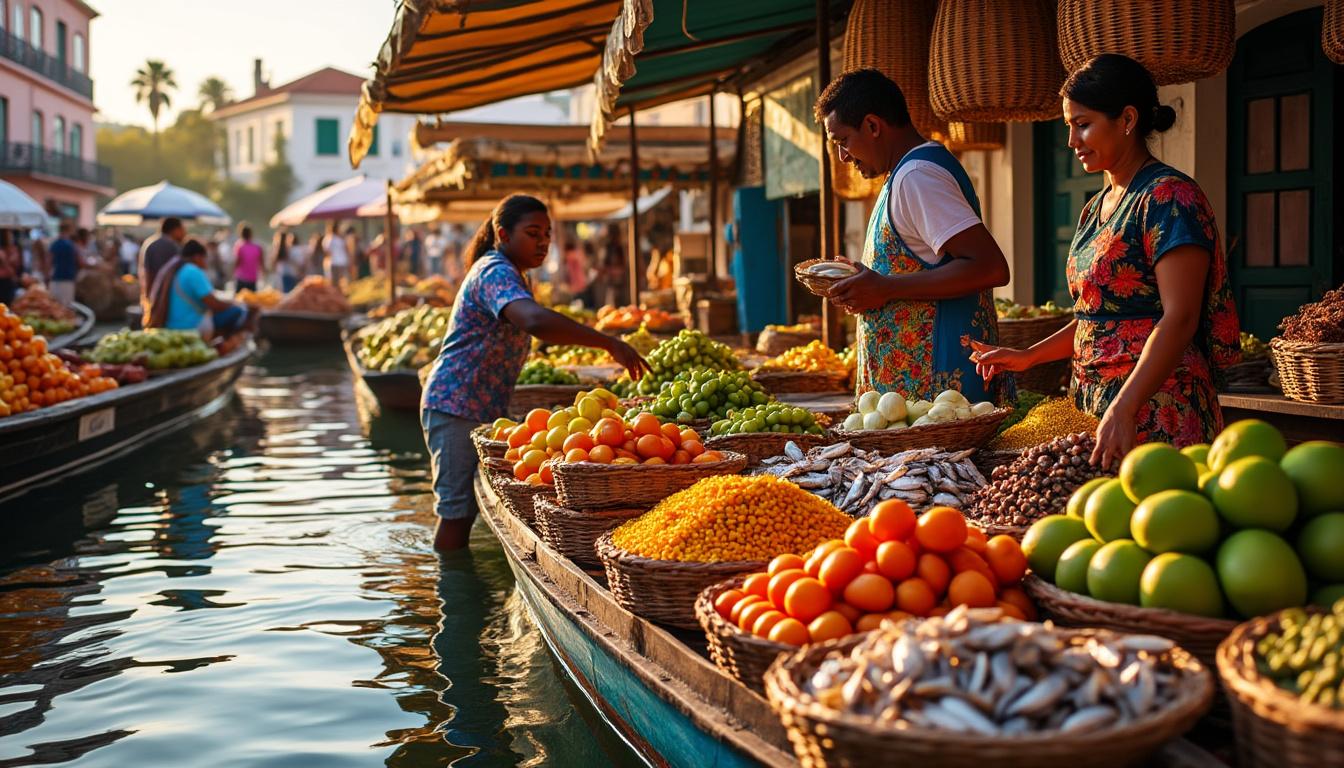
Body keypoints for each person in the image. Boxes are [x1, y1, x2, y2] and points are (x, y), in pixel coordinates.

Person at [970, 54, 1241, 468]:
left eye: (1083, 124)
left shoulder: (1169, 198)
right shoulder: (1095, 207)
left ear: (1127, 119)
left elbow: (1181, 317)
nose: (1072, 141)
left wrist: (1126, 407)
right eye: (1068, 127)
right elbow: (1098, 319)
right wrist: (1029, 356)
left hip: (1156, 403)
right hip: (1095, 401)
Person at [420, 194, 651, 551]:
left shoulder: (512, 274)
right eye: (533, 233)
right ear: (503, 233)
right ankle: (449, 592)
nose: (543, 242)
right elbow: (533, 320)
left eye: (547, 233)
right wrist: (608, 343)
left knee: (466, 507)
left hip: (480, 405)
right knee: (456, 512)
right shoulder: (493, 270)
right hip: (454, 404)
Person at [813, 68, 1011, 403]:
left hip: (938, 398)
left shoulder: (917, 176)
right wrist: (868, 280)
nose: (843, 157)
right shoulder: (905, 173)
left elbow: (989, 267)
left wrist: (886, 287)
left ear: (873, 126)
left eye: (843, 141)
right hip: (921, 400)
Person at [146, 238, 253, 338]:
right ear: (197, 257)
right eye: (205, 258)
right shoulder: (192, 271)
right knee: (239, 311)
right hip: (189, 328)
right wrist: (234, 303)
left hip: (171, 325)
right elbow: (214, 304)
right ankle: (222, 345)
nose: (206, 262)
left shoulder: (177, 268)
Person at [139, 217, 186, 313]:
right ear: (175, 230)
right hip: (169, 296)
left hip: (153, 294)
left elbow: (146, 273)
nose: (185, 233)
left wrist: (147, 296)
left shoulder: (150, 243)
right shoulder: (174, 246)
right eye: (182, 229)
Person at [47, 223, 79, 305]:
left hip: (56, 277)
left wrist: (48, 274)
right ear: (68, 230)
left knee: (55, 303)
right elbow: (77, 260)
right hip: (68, 277)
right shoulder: (71, 245)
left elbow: (49, 261)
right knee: (67, 304)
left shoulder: (54, 244)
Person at [232, 223, 264, 292]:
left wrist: (232, 273)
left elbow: (237, 262)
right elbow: (261, 263)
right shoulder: (257, 247)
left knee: (239, 300)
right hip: (253, 278)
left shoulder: (239, 246)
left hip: (241, 278)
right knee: (251, 300)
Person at [0, 231, 20, 304]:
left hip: (8, 280)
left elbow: (16, 264)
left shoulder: (13, 249)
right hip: (4, 279)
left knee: (8, 302)